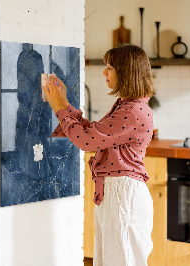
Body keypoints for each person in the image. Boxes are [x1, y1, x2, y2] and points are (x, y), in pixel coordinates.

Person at [43, 44, 155, 266]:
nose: (104, 72)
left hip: (123, 196)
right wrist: (64, 103)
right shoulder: (128, 106)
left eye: (110, 67)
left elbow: (86, 141)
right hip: (118, 193)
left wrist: (58, 108)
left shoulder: (132, 111)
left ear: (126, 72)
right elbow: (94, 133)